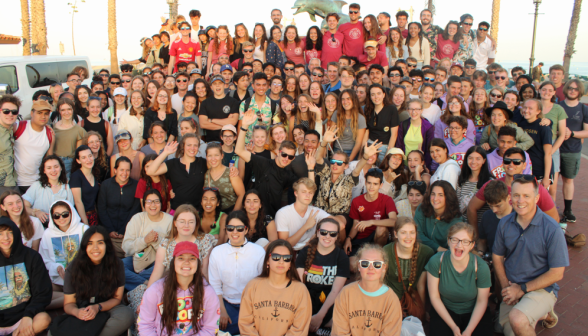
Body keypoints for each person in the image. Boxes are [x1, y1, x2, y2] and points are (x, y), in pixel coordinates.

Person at [493, 176, 569, 336]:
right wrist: (507, 288)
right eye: (516, 195)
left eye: (526, 196)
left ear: (536, 198)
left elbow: (557, 273)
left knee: (518, 319)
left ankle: (542, 309)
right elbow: (497, 256)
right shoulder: (504, 223)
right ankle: (543, 314)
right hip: (513, 286)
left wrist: (521, 290)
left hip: (541, 289)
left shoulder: (552, 229)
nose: (520, 201)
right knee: (512, 330)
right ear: (510, 197)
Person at [61, 226, 134, 336]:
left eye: (100, 243)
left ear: (106, 245)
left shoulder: (117, 264)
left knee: (127, 315)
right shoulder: (73, 268)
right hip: (82, 311)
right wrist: (77, 312)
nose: (95, 248)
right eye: (90, 243)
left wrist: (97, 307)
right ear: (85, 247)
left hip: (106, 308)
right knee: (54, 330)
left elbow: (117, 298)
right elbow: (69, 304)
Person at [138, 241, 220, 336]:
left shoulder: (208, 293)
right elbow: (145, 325)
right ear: (173, 262)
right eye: (181, 258)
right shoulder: (155, 290)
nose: (186, 262)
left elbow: (210, 328)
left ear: (198, 263)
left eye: (192, 259)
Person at [425, 222, 493, 336]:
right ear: (448, 241)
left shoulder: (481, 267)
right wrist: (453, 327)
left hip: (474, 312)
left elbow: (482, 301)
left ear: (472, 245)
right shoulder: (437, 262)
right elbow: (434, 297)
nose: (459, 245)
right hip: (446, 310)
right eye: (455, 239)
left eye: (465, 241)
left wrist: (469, 330)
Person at [467, 147, 560, 226]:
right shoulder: (492, 185)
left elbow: (554, 219)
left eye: (517, 162)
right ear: (503, 164)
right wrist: (476, 236)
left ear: (524, 165)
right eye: (507, 161)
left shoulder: (536, 189)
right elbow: (471, 208)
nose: (511, 164)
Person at [208, 210, 265, 335]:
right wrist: (222, 311)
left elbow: (263, 284)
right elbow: (215, 285)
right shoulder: (217, 253)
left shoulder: (258, 252)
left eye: (239, 228)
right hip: (227, 305)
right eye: (230, 228)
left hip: (252, 306)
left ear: (246, 230)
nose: (234, 232)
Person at [235, 110, 298, 217]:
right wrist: (244, 126)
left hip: (272, 215)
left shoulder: (288, 175)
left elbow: (304, 188)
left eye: (290, 157)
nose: (286, 158)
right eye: (284, 155)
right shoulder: (262, 162)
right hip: (254, 209)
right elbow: (239, 151)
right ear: (279, 153)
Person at [332, 243, 402, 336]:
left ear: (384, 268)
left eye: (377, 264)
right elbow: (340, 332)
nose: (371, 268)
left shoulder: (391, 299)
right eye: (365, 263)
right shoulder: (346, 293)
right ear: (358, 266)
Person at [294, 218, 349, 334]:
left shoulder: (341, 257)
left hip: (329, 303)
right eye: (324, 232)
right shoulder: (304, 252)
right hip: (306, 301)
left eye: (332, 234)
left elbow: (335, 291)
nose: (327, 236)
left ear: (337, 236)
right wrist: (306, 315)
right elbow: (300, 286)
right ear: (318, 232)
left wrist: (320, 316)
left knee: (341, 322)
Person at [0, 217, 52, 335]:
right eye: (1, 234)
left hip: (23, 319)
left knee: (44, 319)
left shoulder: (31, 257)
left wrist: (28, 315)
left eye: (10, 233)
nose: (6, 238)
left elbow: (42, 292)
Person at [345, 168, 398, 269]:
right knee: (352, 266)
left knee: (381, 229)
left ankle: (379, 257)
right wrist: (349, 238)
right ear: (365, 182)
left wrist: (371, 222)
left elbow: (394, 221)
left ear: (380, 185)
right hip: (361, 239)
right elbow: (355, 224)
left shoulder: (387, 200)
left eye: (375, 184)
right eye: (369, 183)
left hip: (378, 238)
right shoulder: (357, 201)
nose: (371, 187)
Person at [39, 200, 88, 308]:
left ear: (71, 213)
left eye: (65, 214)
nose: (61, 218)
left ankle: (47, 306)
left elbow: (91, 256)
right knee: (40, 290)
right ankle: (71, 298)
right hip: (58, 281)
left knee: (83, 293)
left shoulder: (83, 229)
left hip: (81, 280)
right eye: (56, 216)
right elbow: (44, 259)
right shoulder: (47, 234)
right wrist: (57, 267)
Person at [121, 189, 173, 291]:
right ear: (144, 204)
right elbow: (126, 247)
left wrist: (156, 241)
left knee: (165, 270)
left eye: (156, 201)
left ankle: (134, 283)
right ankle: (146, 283)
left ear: (161, 203)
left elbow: (171, 252)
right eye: (149, 201)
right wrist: (144, 241)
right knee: (117, 267)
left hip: (158, 262)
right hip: (136, 259)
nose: (153, 205)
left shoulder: (170, 221)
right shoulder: (137, 219)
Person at [383, 217, 433, 319]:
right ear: (396, 234)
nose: (408, 237)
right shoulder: (386, 251)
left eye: (412, 232)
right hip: (392, 299)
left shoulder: (426, 252)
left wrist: (422, 309)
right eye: (403, 232)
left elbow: (421, 285)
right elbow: (382, 282)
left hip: (413, 299)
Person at [276, 177, 337, 251]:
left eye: (310, 192)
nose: (307, 195)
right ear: (296, 193)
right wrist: (306, 226)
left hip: (310, 251)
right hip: (290, 253)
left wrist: (318, 236)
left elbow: (339, 224)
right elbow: (284, 245)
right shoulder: (283, 213)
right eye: (304, 192)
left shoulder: (315, 211)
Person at [97, 156, 140, 257]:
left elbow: (135, 210)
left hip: (128, 233)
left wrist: (123, 230)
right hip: (108, 232)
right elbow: (102, 209)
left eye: (127, 170)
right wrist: (110, 230)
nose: (124, 174)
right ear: (115, 170)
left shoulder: (136, 186)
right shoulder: (105, 185)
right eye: (121, 170)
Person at [559, 80, 587, 223]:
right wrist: (561, 132)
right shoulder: (558, 107)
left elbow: (586, 132)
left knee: (568, 180)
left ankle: (568, 210)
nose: (572, 91)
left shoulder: (583, 109)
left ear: (579, 91)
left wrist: (572, 134)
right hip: (556, 149)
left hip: (572, 150)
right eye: (570, 88)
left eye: (575, 89)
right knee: (551, 182)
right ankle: (547, 208)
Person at [14, 100, 55, 194]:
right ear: (32, 113)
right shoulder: (19, 127)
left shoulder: (50, 134)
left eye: (46, 113)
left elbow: (49, 160)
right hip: (16, 182)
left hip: (37, 182)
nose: (43, 116)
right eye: (39, 113)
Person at [23, 155, 74, 226]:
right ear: (44, 170)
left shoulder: (66, 187)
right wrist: (36, 212)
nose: (53, 170)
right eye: (49, 168)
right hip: (39, 226)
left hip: (60, 227)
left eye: (56, 167)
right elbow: (24, 207)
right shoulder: (37, 186)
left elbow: (71, 211)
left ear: (61, 168)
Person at [416, 180, 463, 252]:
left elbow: (456, 244)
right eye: (433, 194)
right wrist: (438, 248)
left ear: (448, 197)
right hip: (422, 252)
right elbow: (417, 233)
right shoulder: (422, 208)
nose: (435, 199)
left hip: (445, 256)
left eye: (440, 195)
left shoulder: (457, 219)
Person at [519, 99, 553, 189]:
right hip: (525, 170)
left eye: (530, 108)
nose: (526, 110)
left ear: (538, 111)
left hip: (540, 170)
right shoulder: (521, 124)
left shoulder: (543, 127)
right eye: (525, 107)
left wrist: (546, 176)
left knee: (539, 200)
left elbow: (548, 153)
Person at [204, 142, 245, 212]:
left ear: (222, 156)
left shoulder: (231, 173)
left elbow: (242, 195)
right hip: (213, 214)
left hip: (230, 212)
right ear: (206, 157)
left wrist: (233, 216)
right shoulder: (206, 173)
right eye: (210, 155)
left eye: (216, 155)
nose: (213, 158)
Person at [456, 146, 492, 226]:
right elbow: (457, 203)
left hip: (481, 226)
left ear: (484, 161)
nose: (473, 161)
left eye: (478, 159)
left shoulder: (490, 182)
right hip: (463, 226)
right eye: (470, 158)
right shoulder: (462, 179)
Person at [395, 99, 435, 170]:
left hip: (419, 166)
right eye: (411, 109)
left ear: (421, 110)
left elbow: (429, 150)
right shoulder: (403, 125)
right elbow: (399, 145)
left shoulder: (428, 127)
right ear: (407, 110)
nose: (413, 112)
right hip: (404, 165)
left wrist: (426, 166)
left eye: (417, 109)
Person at [198, 75, 239, 143]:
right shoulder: (205, 103)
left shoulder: (233, 101)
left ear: (224, 85)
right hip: (211, 142)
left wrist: (211, 120)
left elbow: (233, 121)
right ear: (211, 87)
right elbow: (203, 124)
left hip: (229, 142)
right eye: (215, 84)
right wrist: (226, 125)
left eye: (220, 83)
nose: (217, 86)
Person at [53, 98, 87, 179]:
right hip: (54, 162)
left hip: (70, 163)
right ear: (59, 111)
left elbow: (78, 153)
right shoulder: (53, 127)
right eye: (63, 110)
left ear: (73, 110)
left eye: (69, 109)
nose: (67, 112)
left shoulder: (79, 130)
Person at [477, 179, 512, 255]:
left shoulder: (518, 216)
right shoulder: (487, 216)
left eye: (498, 206)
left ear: (508, 198)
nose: (494, 210)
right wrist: (480, 253)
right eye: (490, 206)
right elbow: (482, 241)